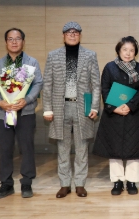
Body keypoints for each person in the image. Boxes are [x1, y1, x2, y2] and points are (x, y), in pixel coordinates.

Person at [42, 21, 100, 199]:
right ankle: (64, 184)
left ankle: (80, 184)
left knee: (82, 147)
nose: (72, 35)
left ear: (80, 35)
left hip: (82, 106)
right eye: (69, 32)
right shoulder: (53, 55)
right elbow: (47, 84)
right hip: (60, 107)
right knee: (63, 148)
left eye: (76, 32)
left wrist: (95, 106)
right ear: (63, 35)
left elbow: (96, 84)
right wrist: (47, 108)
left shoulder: (90, 55)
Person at [93, 36, 139, 195]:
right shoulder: (110, 67)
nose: (128, 53)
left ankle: (132, 181)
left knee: (134, 148)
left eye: (131, 50)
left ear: (135, 52)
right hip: (114, 114)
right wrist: (114, 108)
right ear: (118, 50)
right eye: (125, 49)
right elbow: (104, 89)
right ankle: (117, 181)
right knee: (114, 148)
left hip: (133, 113)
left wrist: (130, 106)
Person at [0, 28, 43, 199]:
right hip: (4, 112)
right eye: (10, 39)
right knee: (5, 149)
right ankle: (6, 184)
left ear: (23, 42)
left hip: (25, 112)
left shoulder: (31, 62)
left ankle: (27, 182)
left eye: (17, 38)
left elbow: (38, 83)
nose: (14, 42)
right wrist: (0, 102)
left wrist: (26, 100)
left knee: (26, 148)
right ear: (6, 42)